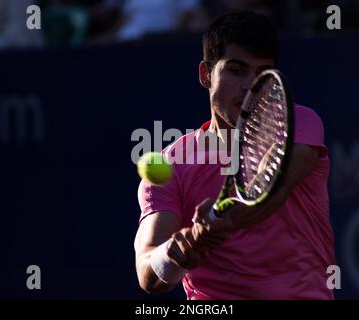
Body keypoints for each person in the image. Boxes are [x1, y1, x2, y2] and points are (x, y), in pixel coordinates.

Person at [135, 11, 335, 300]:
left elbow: (272, 188)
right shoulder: (172, 164)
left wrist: (221, 223)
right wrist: (176, 254)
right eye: (236, 70)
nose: (249, 86)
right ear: (206, 75)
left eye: (261, 74)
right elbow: (148, 274)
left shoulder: (298, 122)